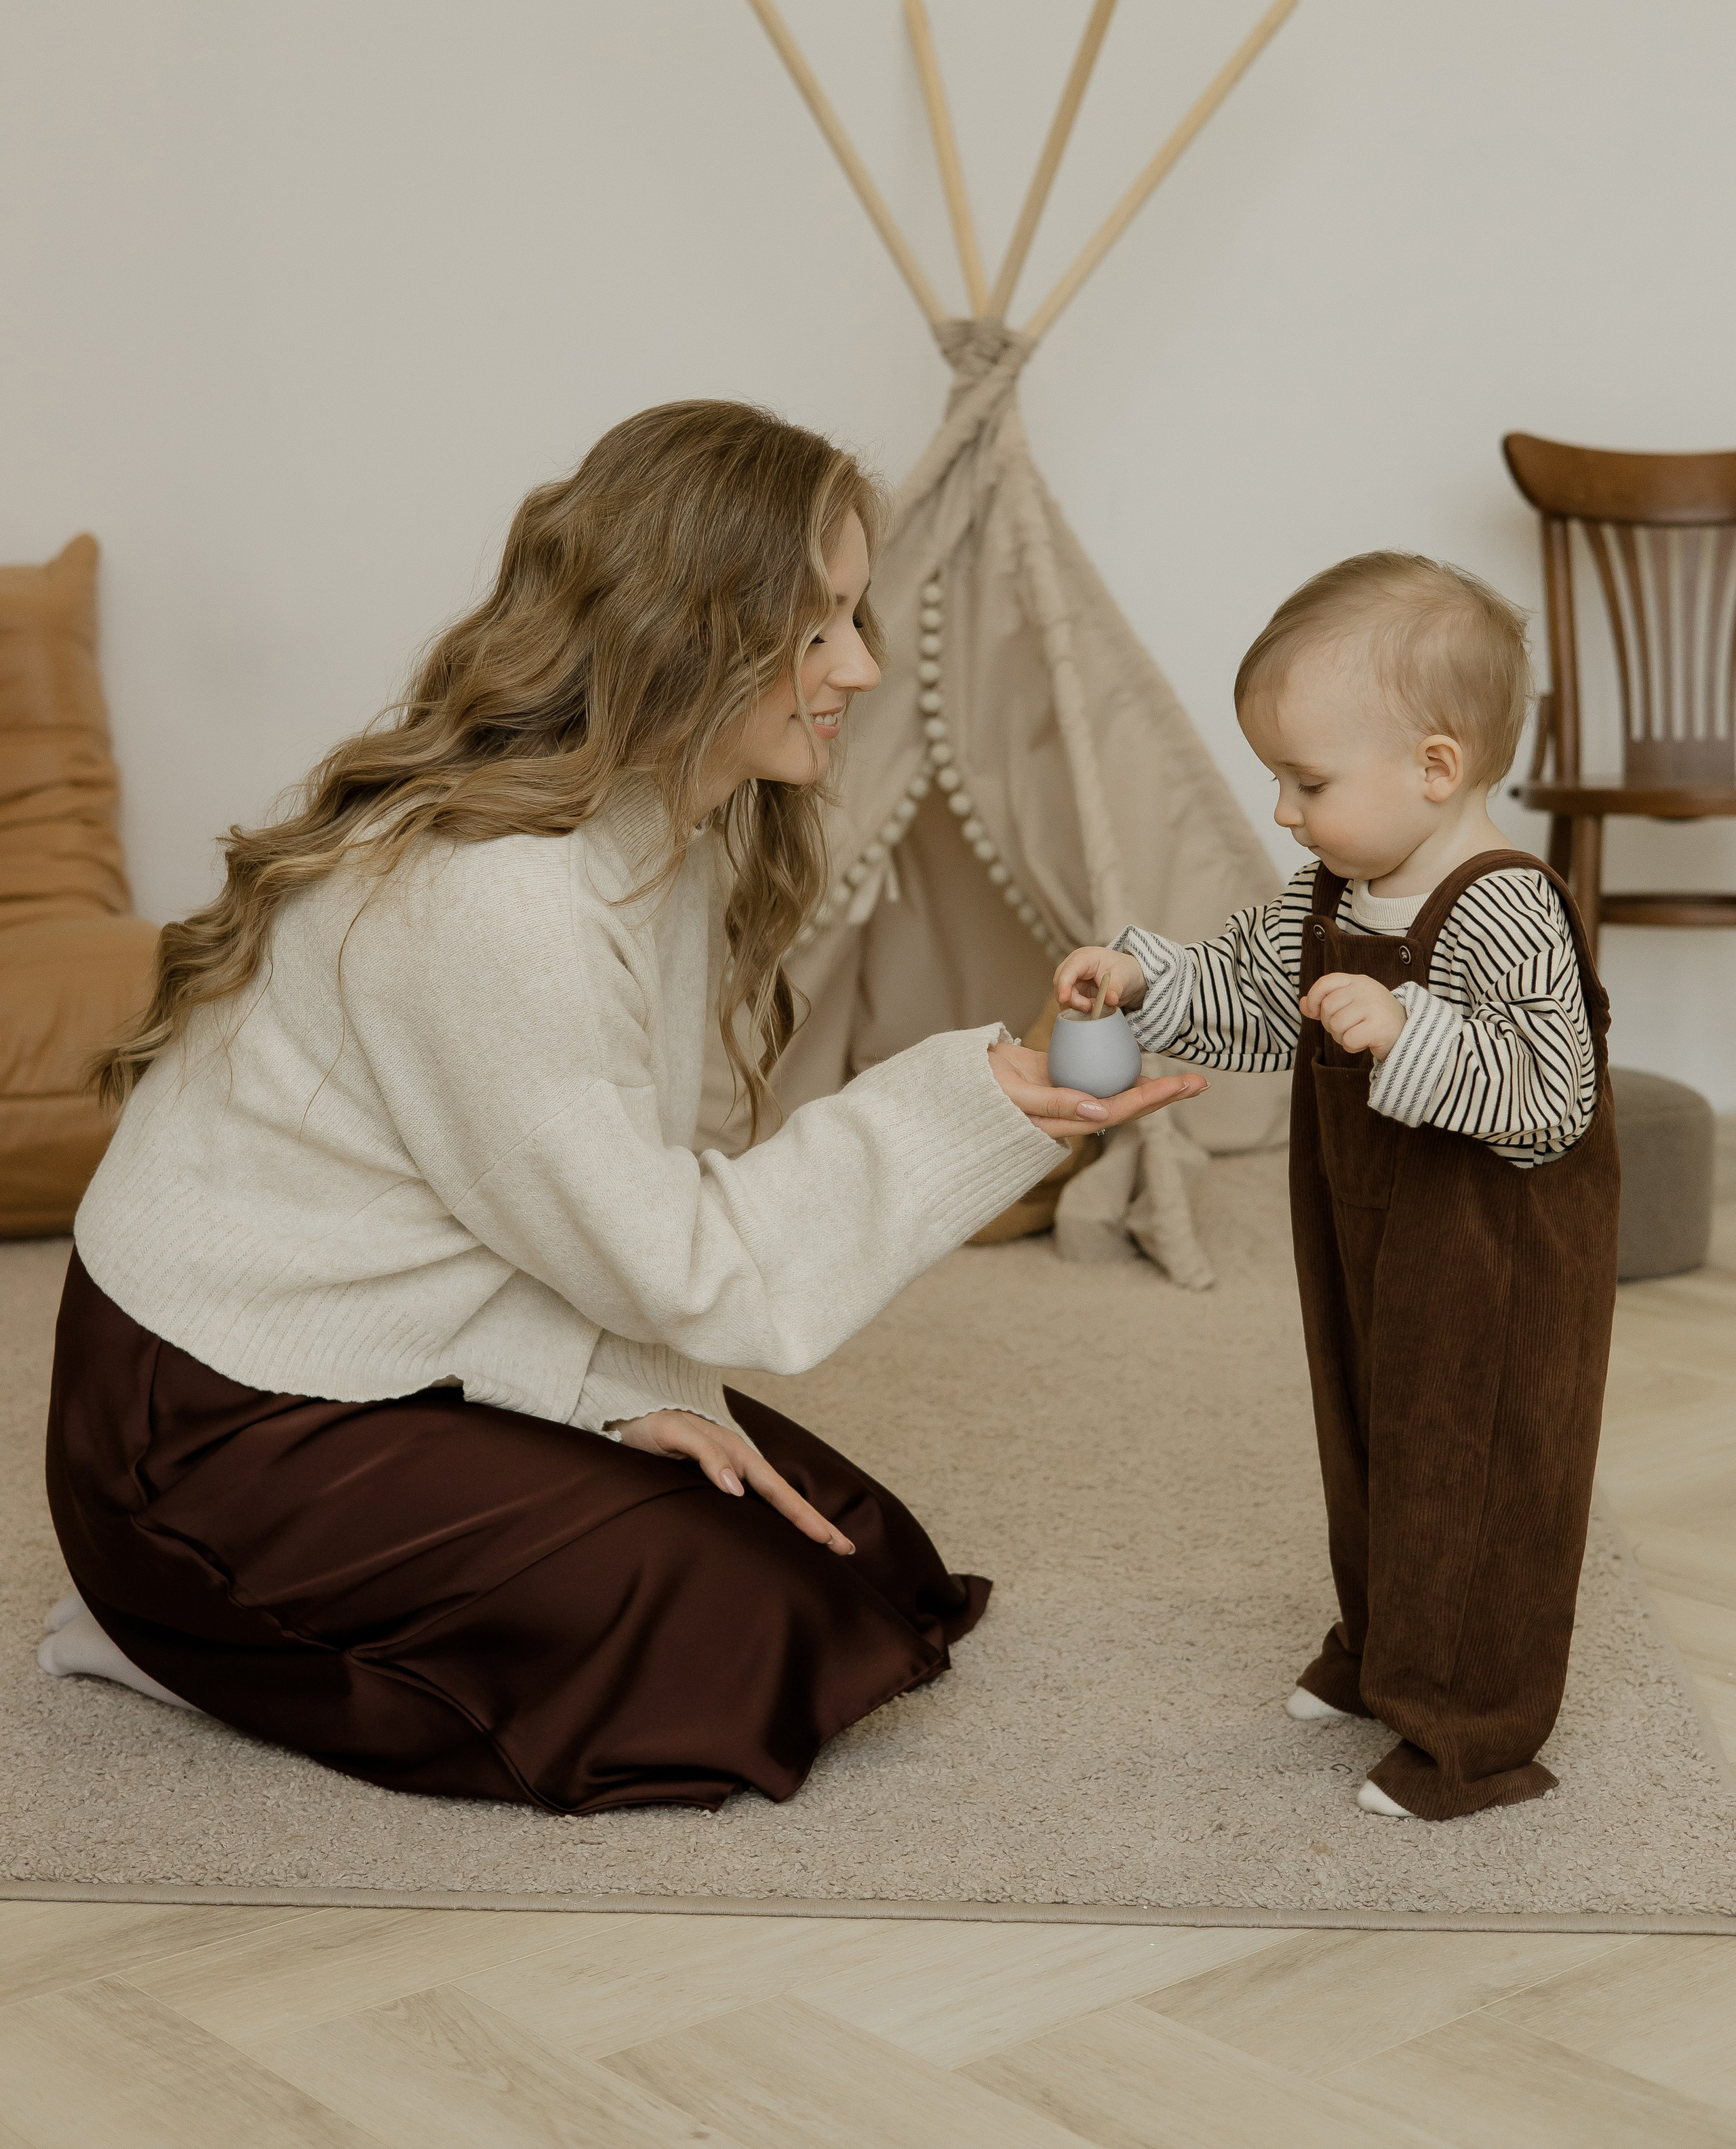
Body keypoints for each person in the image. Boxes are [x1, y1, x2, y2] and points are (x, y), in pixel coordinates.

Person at [41, 400, 1200, 1814]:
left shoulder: (653, 816)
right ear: (688, 633)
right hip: (214, 1421)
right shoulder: (499, 901)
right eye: (817, 629)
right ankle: (179, 1636)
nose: (862, 664)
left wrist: (591, 1387)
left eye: (854, 615)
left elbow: (560, 1197)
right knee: (747, 1647)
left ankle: (264, 1615)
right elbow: (684, 1270)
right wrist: (980, 1104)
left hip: (385, 1323)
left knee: (866, 1566)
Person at [1056, 551, 1617, 1823]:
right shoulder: (1330, 890)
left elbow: (1552, 1100)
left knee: (1475, 1461)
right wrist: (1144, 982)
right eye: (1278, 780)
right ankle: (1381, 1648)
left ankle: (1471, 1730)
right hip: (1366, 1225)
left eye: (1307, 783)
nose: (1283, 812)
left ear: (1434, 766)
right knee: (1370, 1429)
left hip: (1494, 1251)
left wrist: (1410, 1030)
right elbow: (1253, 998)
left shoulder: (1508, 909)